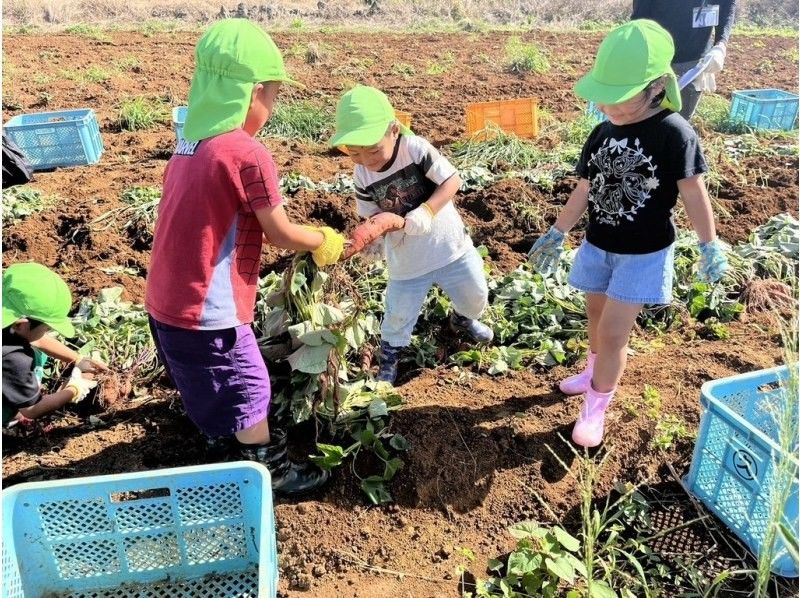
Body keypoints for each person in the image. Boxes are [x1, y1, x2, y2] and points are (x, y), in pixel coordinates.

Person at [145, 19, 345, 496]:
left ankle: (222, 444)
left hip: (165, 299)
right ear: (253, 92)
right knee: (249, 385)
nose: (272, 107)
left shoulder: (189, 145)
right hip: (206, 308)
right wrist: (322, 241)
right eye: (273, 96)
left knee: (204, 380)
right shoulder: (245, 151)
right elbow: (277, 232)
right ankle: (268, 469)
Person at [527, 20, 728, 448]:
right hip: (599, 245)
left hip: (644, 254)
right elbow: (584, 189)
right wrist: (557, 232)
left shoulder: (675, 133)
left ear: (656, 87)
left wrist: (710, 244)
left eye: (619, 98)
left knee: (617, 332)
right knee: (596, 318)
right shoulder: (602, 132)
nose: (607, 106)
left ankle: (596, 408)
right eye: (605, 95)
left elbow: (694, 193)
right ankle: (591, 370)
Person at [329, 85, 493, 385]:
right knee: (397, 316)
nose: (366, 159)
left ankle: (461, 319)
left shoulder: (414, 148)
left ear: (393, 129)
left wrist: (426, 211)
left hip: (449, 247)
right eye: (354, 153)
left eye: (373, 149)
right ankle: (390, 356)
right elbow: (371, 216)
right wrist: (373, 239)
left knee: (476, 296)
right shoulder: (362, 175)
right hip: (406, 260)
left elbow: (452, 180)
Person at [2, 263, 106, 427]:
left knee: (35, 352)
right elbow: (32, 409)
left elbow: (38, 339)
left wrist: (78, 359)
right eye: (47, 328)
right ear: (20, 324)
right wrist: (75, 388)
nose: (47, 332)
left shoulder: (9, 318)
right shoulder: (13, 358)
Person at [631, 0, 737, 119]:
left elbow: (726, 5)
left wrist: (721, 44)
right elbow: (639, 17)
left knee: (679, 121)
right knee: (644, 119)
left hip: (693, 64)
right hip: (655, 61)